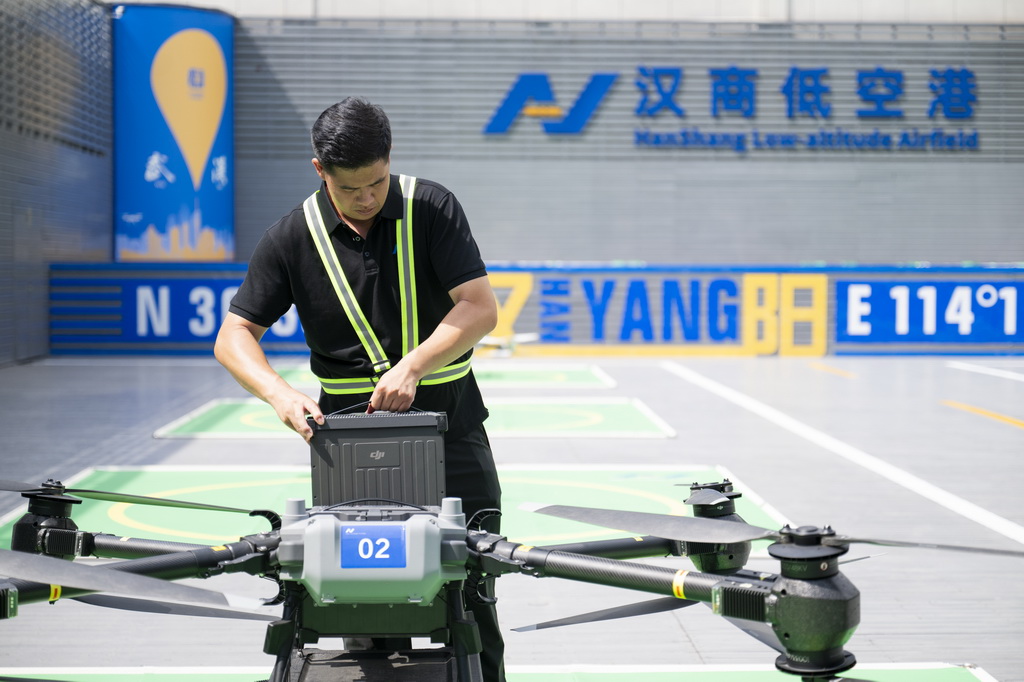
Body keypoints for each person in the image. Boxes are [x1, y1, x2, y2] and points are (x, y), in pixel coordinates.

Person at [214, 97, 505, 681]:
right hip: (350, 446)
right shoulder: (291, 237)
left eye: (377, 181)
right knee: (364, 601)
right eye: (351, 188)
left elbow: (479, 309)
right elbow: (233, 335)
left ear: (389, 160)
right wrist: (278, 393)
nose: (368, 198)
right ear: (319, 169)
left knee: (475, 593)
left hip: (453, 427)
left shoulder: (432, 207)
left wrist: (414, 365)